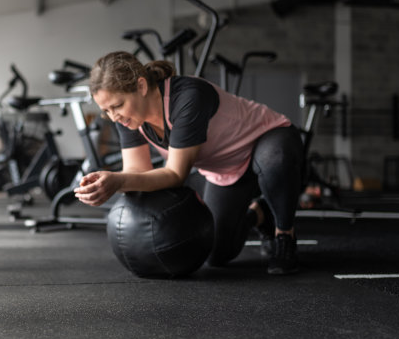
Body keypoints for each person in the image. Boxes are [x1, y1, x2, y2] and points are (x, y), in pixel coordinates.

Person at [74, 51, 304, 275]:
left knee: (275, 158)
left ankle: (284, 233)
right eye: (106, 111)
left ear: (141, 86)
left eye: (117, 105)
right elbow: (138, 172)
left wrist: (117, 181)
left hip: (267, 139)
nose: (114, 116)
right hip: (227, 169)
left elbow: (175, 175)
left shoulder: (187, 97)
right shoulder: (130, 120)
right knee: (215, 254)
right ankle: (261, 213)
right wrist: (111, 182)